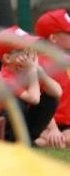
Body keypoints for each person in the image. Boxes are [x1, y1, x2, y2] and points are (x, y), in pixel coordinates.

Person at [0, 26, 60, 145]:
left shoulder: (26, 71)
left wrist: (39, 72)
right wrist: (32, 72)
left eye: (32, 49)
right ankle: (11, 142)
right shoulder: (4, 78)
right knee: (16, 102)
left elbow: (57, 92)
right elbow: (34, 99)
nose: (31, 55)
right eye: (25, 51)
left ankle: (27, 140)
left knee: (51, 99)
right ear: (8, 58)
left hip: (17, 125)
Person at [32, 9, 70, 147]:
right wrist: (53, 129)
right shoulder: (40, 64)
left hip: (65, 125)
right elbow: (38, 102)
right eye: (68, 33)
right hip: (46, 124)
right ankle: (38, 140)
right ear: (53, 38)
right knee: (59, 141)